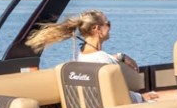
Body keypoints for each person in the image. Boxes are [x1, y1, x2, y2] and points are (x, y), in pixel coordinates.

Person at [27, 9, 158, 100]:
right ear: (97, 28)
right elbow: (119, 95)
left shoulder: (82, 55)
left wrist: (120, 56)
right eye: (108, 24)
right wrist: (143, 98)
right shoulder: (102, 60)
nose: (110, 27)